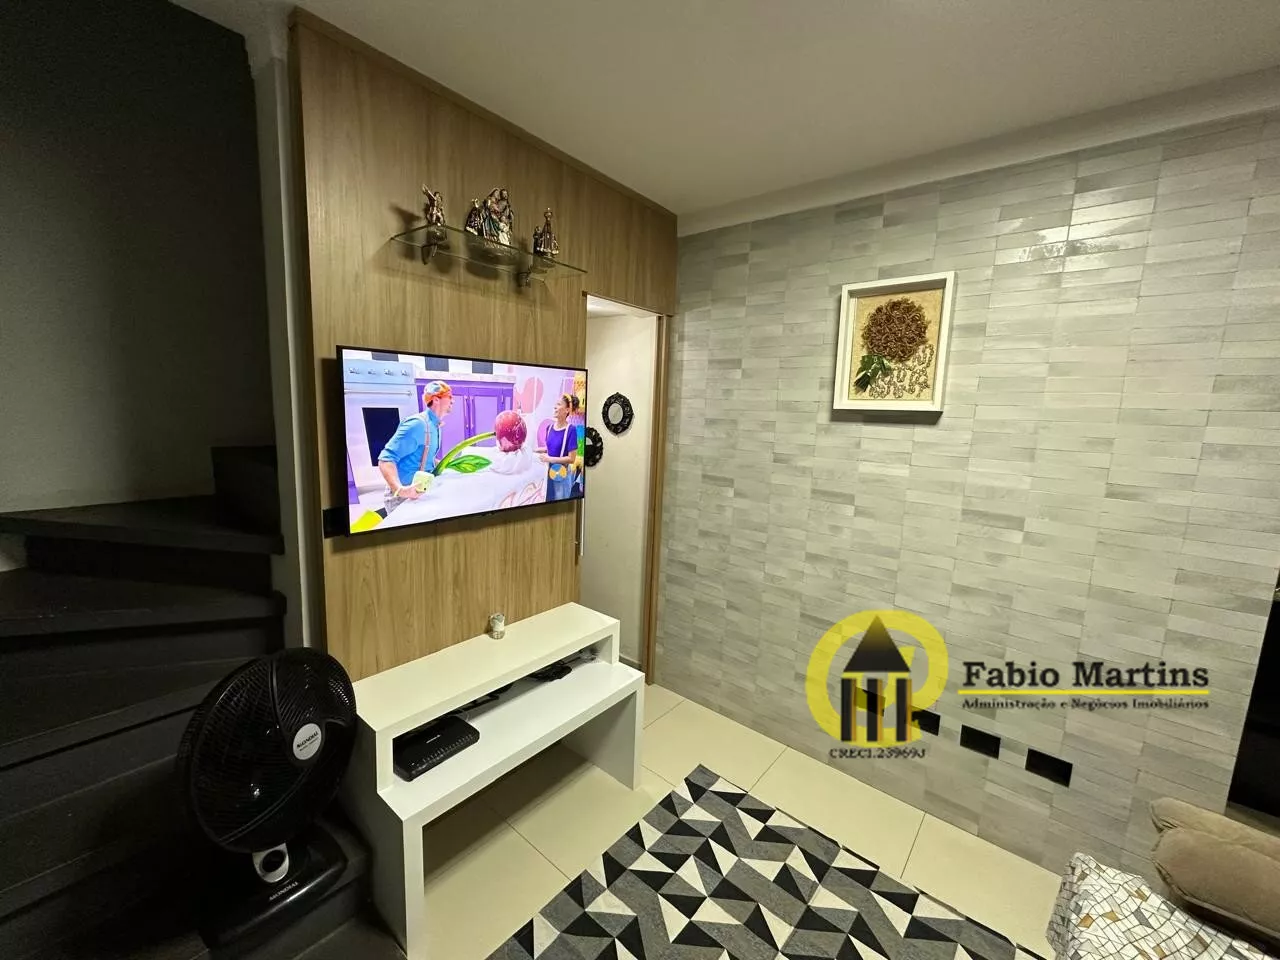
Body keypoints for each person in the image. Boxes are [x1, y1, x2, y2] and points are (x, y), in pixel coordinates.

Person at [377, 380, 454, 513]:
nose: (453, 401)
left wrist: (449, 465)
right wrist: (401, 490)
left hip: (418, 492)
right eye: (449, 397)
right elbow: (385, 459)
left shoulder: (435, 426)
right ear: (436, 399)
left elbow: (425, 457)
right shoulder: (418, 424)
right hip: (402, 497)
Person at [538, 394, 580, 502]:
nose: (555, 407)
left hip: (561, 474)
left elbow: (571, 459)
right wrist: (533, 450)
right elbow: (550, 449)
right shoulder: (549, 428)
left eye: (558, 404)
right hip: (547, 473)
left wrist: (549, 459)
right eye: (555, 404)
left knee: (559, 505)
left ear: (567, 410)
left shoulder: (571, 430)